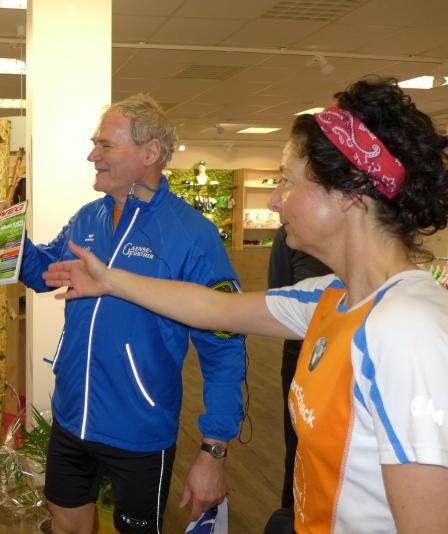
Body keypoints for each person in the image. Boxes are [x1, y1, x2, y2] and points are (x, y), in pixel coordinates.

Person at [43, 79, 448, 533]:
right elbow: (214, 309)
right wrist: (110, 279)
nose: (274, 200)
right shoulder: (330, 298)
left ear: (349, 192)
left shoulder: (405, 330)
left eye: (287, 180)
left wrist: (213, 449)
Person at [0, 94, 246, 534]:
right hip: (72, 417)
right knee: (66, 523)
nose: (93, 155)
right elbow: (45, 271)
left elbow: (224, 346)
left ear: (150, 152)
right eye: (95, 144)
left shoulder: (192, 235)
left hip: (140, 430)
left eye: (105, 145)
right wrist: (8, 240)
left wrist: (214, 450)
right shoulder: (89, 218)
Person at [264, 225, 331, 533]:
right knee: (299, 448)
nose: (275, 203)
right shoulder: (288, 236)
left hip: (342, 357)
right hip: (301, 354)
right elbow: (277, 298)